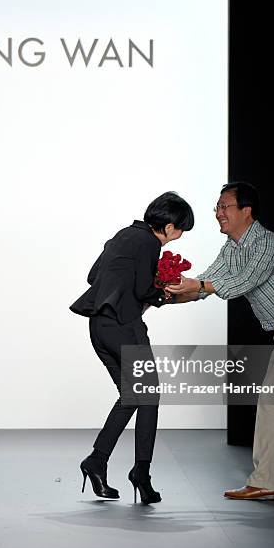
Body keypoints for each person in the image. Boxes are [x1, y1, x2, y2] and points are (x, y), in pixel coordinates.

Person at [167, 181, 274, 499]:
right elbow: (210, 281)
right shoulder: (232, 248)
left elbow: (242, 282)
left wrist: (197, 285)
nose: (218, 214)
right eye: (217, 208)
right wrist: (167, 294)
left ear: (247, 211)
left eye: (224, 207)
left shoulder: (266, 243)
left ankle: (267, 482)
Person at [70, 192, 194, 503]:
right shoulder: (149, 242)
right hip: (124, 327)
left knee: (134, 396)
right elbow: (142, 289)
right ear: (168, 226)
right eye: (179, 231)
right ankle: (139, 472)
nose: (176, 238)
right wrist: (168, 293)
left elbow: (92, 277)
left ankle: (98, 462)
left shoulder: (123, 234)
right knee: (147, 394)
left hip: (99, 327)